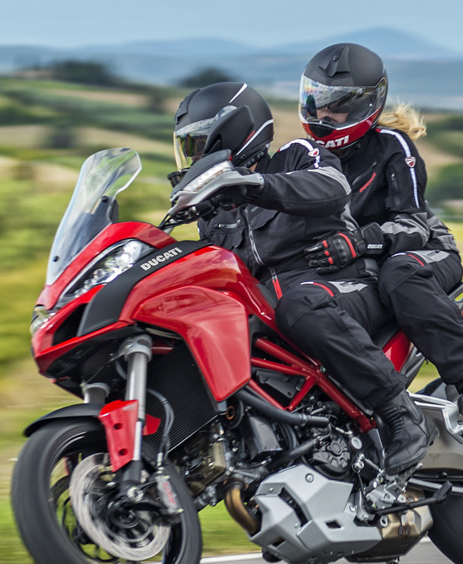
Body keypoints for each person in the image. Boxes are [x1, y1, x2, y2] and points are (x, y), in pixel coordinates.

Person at [173, 82, 436, 474]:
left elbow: (332, 188)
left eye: (196, 146)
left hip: (344, 285)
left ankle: (400, 414)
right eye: (186, 148)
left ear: (228, 135)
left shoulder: (297, 155)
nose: (192, 157)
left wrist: (254, 185)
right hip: (283, 310)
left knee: (300, 304)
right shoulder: (216, 213)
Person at [298, 43, 463, 422]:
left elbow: (412, 223)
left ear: (366, 105)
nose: (323, 114)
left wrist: (358, 242)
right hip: (366, 261)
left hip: (427, 251)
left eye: (336, 105)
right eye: (316, 102)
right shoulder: (307, 157)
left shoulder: (391, 146)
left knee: (400, 273)